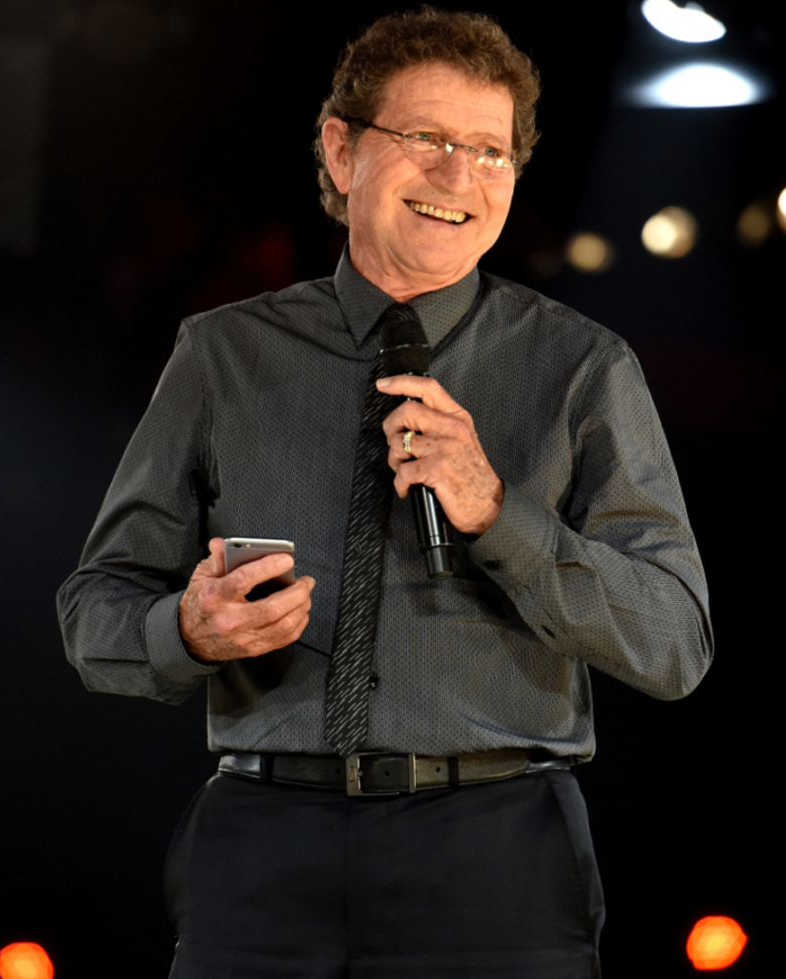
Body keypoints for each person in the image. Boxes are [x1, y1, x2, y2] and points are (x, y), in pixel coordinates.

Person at [57, 8, 713, 978]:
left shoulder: (583, 369)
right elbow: (93, 613)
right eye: (426, 140)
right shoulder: (221, 355)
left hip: (497, 854)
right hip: (259, 845)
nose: (460, 176)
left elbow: (672, 641)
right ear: (340, 147)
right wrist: (185, 633)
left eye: (490, 151)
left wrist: (499, 514)